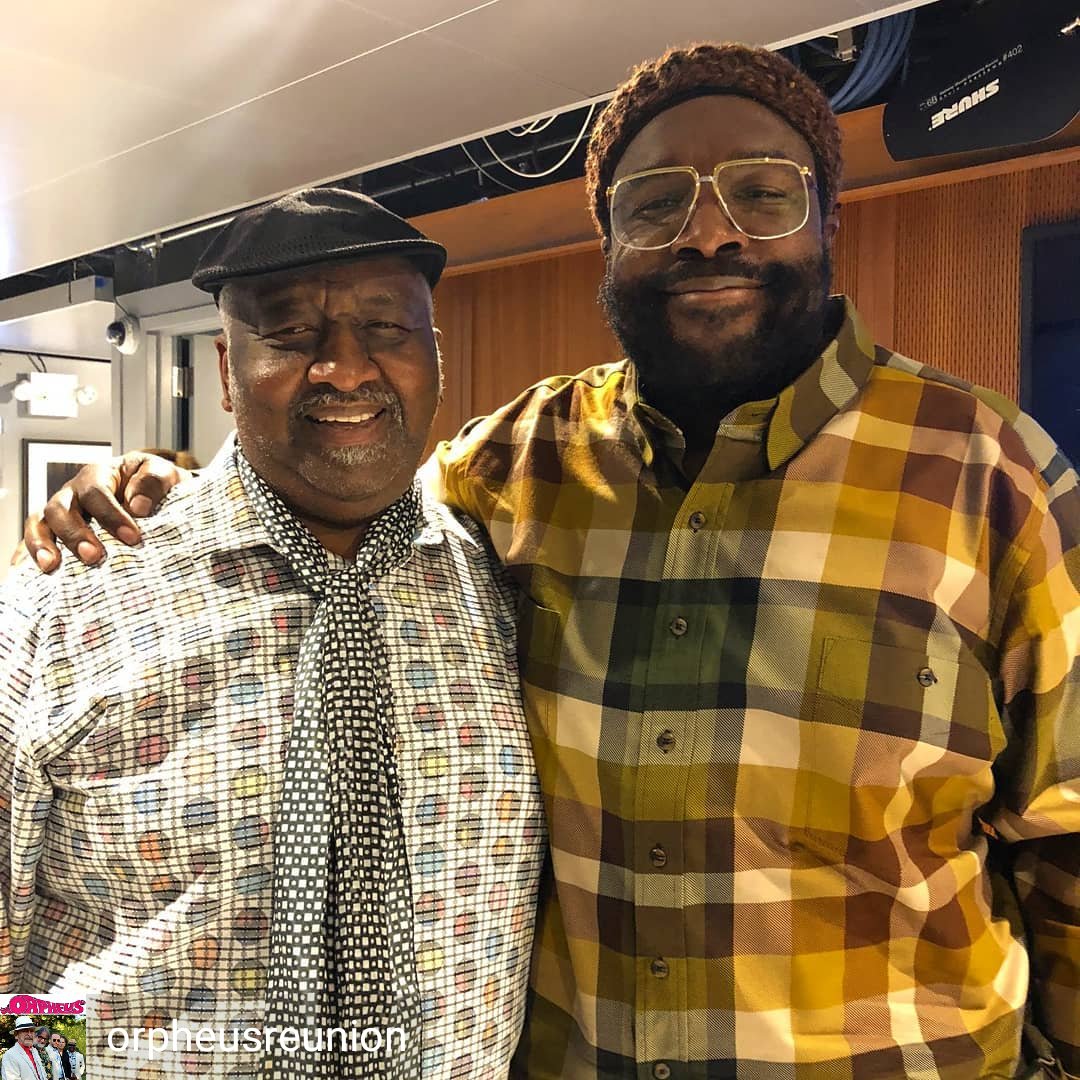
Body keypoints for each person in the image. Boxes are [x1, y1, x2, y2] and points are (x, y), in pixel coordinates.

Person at [22, 42, 1080, 1080]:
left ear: (827, 220)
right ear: (608, 244)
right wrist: (173, 490)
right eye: (657, 202)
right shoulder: (511, 469)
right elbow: (331, 482)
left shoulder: (992, 472)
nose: (707, 233)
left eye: (762, 192)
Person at [1, 189, 544, 1078]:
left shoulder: (500, 581)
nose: (344, 368)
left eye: (387, 328)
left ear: (434, 354)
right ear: (225, 366)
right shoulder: (71, 597)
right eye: (290, 336)